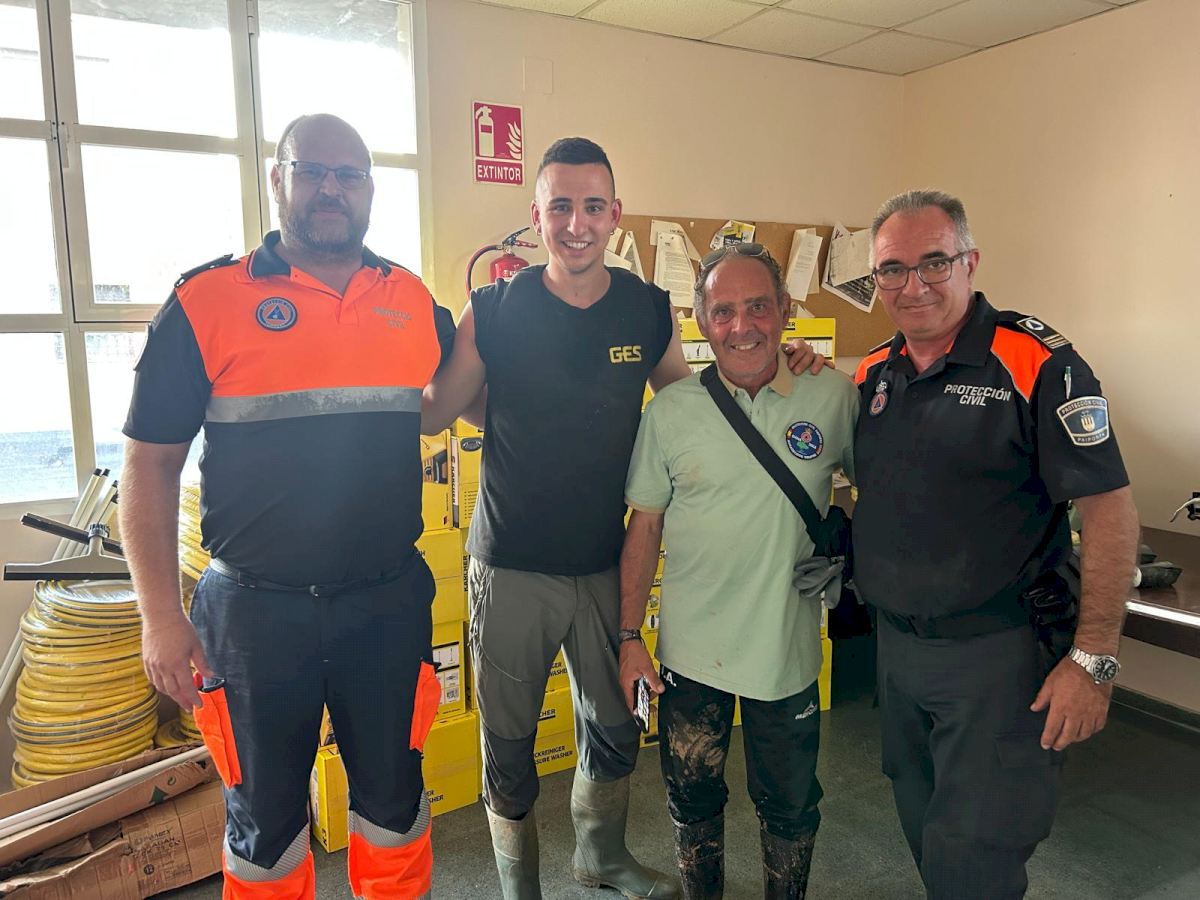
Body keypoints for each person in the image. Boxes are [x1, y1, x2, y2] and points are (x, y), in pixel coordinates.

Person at [121, 114, 454, 900]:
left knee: (395, 806)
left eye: (349, 174)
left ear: (370, 189)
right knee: (265, 827)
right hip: (253, 619)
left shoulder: (408, 298)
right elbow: (149, 464)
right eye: (312, 171)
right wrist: (160, 617)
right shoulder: (206, 301)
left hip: (384, 606)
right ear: (279, 180)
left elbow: (453, 394)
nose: (331, 189)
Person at [852, 189, 1139, 899]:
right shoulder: (873, 372)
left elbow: (1108, 509)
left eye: (934, 263)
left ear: (970, 262)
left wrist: (1094, 660)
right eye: (892, 269)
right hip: (900, 652)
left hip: (999, 658)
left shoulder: (1037, 361)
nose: (913, 285)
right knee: (928, 837)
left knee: (975, 860)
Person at [618, 245, 858, 899]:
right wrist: (629, 637)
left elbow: (883, 494)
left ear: (785, 309)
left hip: (786, 651)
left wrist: (850, 553)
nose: (741, 326)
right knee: (692, 801)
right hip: (691, 654)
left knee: (791, 807)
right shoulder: (670, 412)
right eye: (723, 311)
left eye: (758, 306)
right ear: (701, 322)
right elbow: (644, 528)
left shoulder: (835, 396)